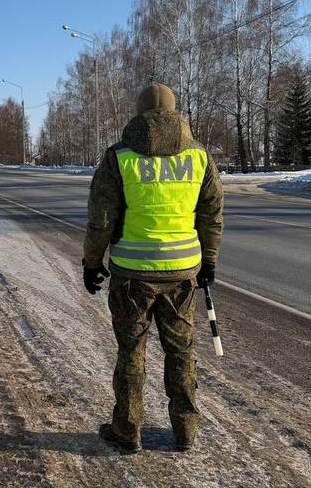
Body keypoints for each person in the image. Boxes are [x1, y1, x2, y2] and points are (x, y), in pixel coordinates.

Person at [82, 83, 224, 453]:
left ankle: (128, 430)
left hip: (132, 275)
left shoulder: (119, 158)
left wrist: (92, 262)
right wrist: (209, 261)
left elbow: (102, 218)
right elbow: (211, 214)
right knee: (181, 352)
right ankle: (186, 430)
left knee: (132, 351)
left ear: (139, 114)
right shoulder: (199, 158)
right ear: (176, 113)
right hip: (182, 275)